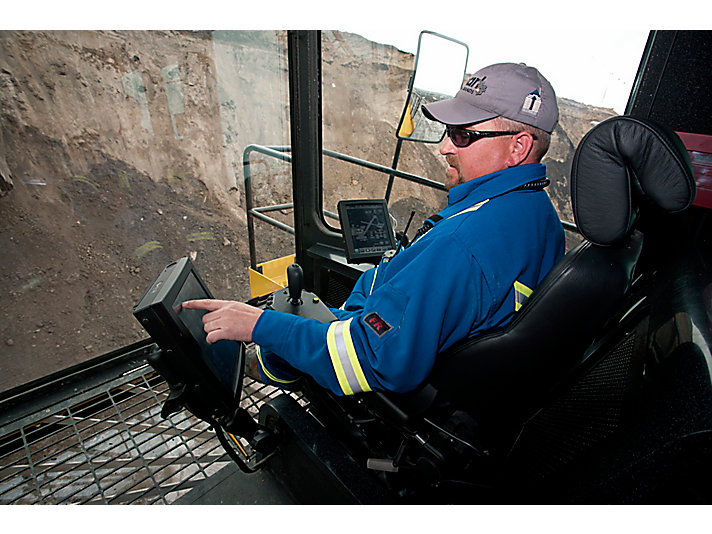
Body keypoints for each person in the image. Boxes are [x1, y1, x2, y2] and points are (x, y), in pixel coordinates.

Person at [183, 62, 566, 396]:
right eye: (449, 131)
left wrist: (260, 325)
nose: (444, 147)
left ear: (518, 147)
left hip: (391, 379)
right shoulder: (539, 216)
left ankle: (254, 371)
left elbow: (368, 359)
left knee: (273, 345)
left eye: (463, 135)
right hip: (458, 371)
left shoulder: (462, 244)